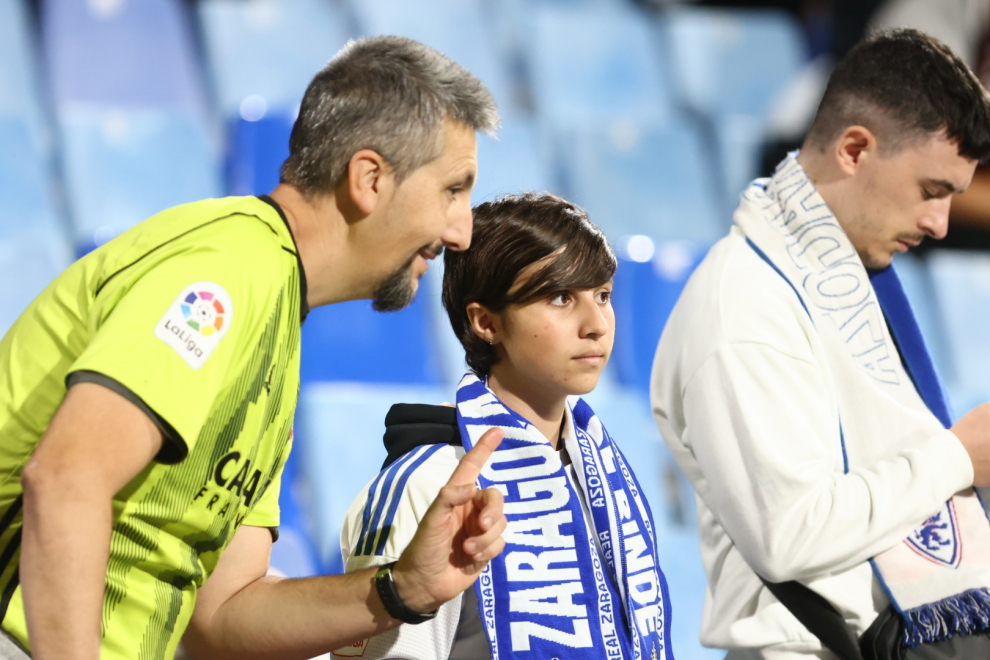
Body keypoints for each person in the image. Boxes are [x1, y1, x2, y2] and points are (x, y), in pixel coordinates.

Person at [0, 36, 509, 660]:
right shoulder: (228, 273)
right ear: (369, 179)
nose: (462, 232)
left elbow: (222, 616)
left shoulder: (275, 316)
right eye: (453, 191)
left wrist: (403, 587)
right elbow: (65, 480)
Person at [652, 29, 990, 659]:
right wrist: (956, 459)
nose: (940, 223)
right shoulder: (744, 300)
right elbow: (788, 533)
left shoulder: (848, 284)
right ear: (855, 150)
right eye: (932, 190)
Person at [337, 193, 675, 660]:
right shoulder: (428, 484)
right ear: (485, 322)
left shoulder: (605, 470)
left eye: (603, 295)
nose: (597, 324)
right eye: (560, 297)